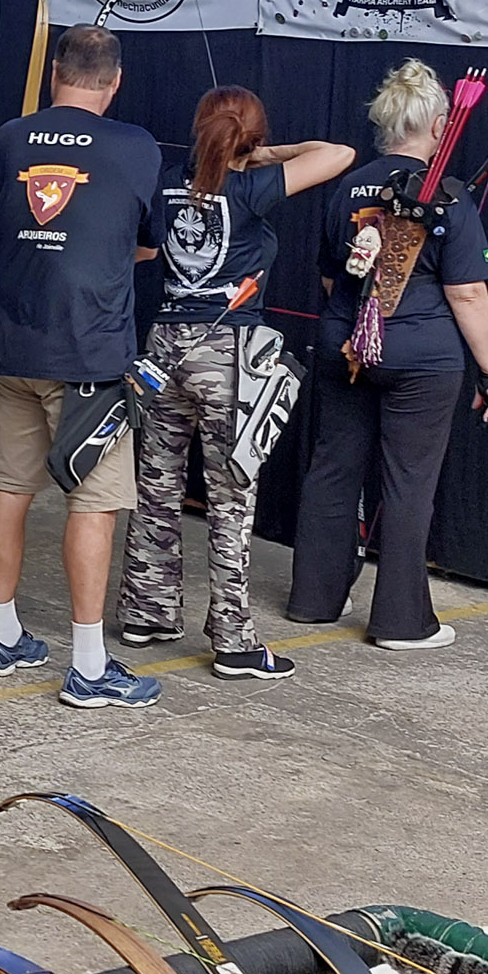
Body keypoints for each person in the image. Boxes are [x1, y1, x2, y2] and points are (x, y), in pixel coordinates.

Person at [116, 87, 353, 679]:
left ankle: (147, 612)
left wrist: (235, 156)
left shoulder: (166, 183)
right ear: (251, 136)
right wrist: (266, 155)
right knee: (231, 497)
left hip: (165, 348)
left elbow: (144, 247)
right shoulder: (250, 189)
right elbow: (339, 154)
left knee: (156, 483)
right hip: (228, 354)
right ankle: (233, 639)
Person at [0, 24, 162, 708]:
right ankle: (88, 666)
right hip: (88, 352)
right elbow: (148, 244)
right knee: (95, 503)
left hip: (12, 344)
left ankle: (2, 636)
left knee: (9, 486)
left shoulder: (10, 137)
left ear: (56, 72)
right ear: (116, 82)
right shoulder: (136, 146)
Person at [286, 59, 488, 647]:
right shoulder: (448, 197)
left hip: (345, 344)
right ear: (438, 126)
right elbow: (466, 292)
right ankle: (401, 622)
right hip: (420, 358)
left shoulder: (348, 188)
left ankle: (313, 599)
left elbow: (331, 277)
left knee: (334, 468)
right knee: (408, 484)